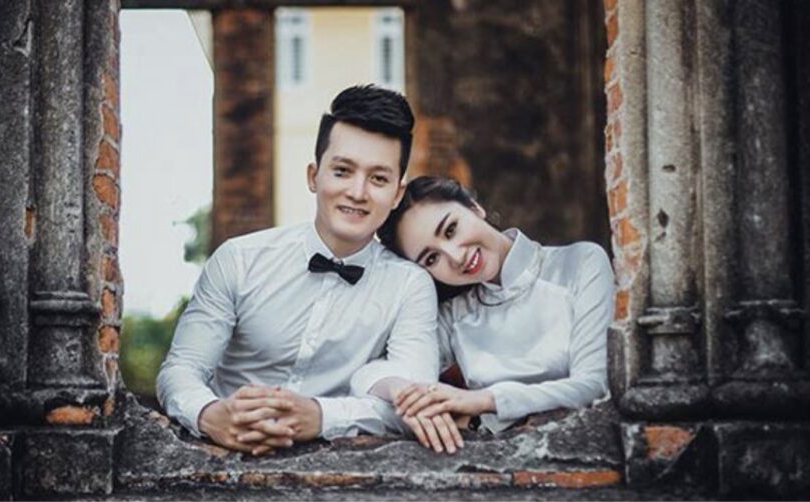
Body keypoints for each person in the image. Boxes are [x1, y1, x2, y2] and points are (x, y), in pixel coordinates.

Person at [156, 85, 441, 457]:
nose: (358, 192)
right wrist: (210, 414)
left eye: (378, 179)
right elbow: (181, 368)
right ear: (313, 176)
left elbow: (415, 401)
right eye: (342, 171)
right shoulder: (240, 258)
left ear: (397, 195)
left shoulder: (410, 286)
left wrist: (322, 416)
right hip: (221, 454)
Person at [363, 175, 615, 454]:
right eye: (431, 259)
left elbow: (593, 386)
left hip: (582, 452)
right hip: (495, 461)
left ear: (474, 208)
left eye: (450, 230)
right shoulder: (453, 316)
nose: (455, 256)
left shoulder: (580, 263)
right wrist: (401, 390)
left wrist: (480, 401)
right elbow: (370, 373)